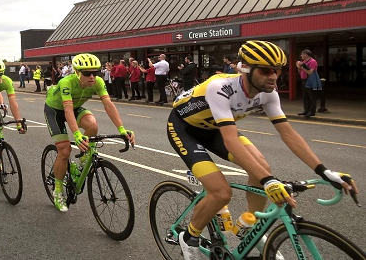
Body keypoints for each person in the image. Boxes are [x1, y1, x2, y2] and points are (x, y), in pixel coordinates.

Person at [167, 40, 358, 260]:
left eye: (277, 71)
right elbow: (231, 140)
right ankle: (189, 237)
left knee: (262, 168)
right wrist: (269, 181)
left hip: (215, 129)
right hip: (185, 130)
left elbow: (288, 134)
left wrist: (323, 171)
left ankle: (248, 224)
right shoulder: (219, 87)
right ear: (246, 69)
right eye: (266, 70)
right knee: (222, 192)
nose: (274, 76)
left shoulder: (269, 93)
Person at [44, 53, 135, 212]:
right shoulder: (67, 82)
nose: (92, 76)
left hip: (75, 106)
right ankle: (58, 191)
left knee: (92, 125)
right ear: (77, 72)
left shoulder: (98, 82)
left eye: (96, 72)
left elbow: (108, 105)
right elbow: (67, 110)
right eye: (87, 73)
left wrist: (121, 129)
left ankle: (83, 158)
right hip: (55, 110)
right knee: (64, 151)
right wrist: (77, 135)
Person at [296, 49, 319, 118]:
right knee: (305, 96)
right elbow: (300, 72)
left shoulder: (313, 62)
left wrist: (302, 67)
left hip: (310, 80)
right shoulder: (304, 61)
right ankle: (306, 110)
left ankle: (312, 111)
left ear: (306, 54)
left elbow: (310, 72)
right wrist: (299, 67)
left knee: (311, 96)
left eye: (302, 54)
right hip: (304, 80)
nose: (301, 55)